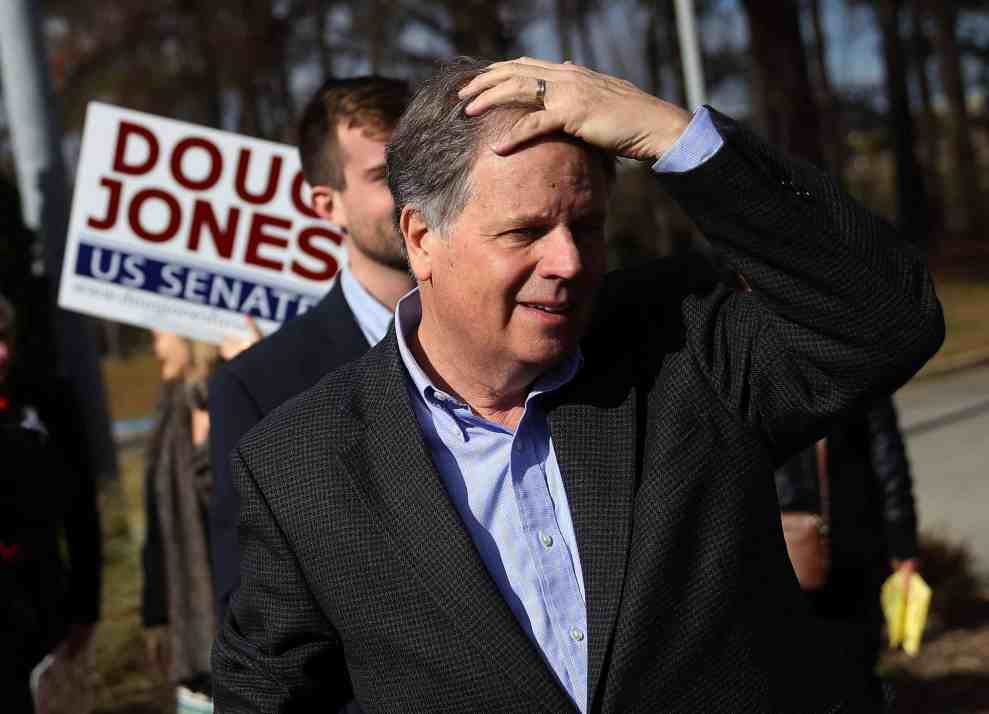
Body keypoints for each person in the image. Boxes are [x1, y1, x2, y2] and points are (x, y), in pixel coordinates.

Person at [212, 57, 944, 712]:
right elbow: (265, 693)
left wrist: (676, 138)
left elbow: (889, 321)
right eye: (524, 232)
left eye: (586, 226)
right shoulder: (300, 463)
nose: (567, 262)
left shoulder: (684, 346)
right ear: (421, 238)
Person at [207, 75, 413, 630]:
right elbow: (257, 623)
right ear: (328, 204)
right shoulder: (258, 390)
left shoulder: (516, 331)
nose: (416, 189)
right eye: (385, 176)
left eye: (426, 163)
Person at [0, 293, 102, 712]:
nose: (2, 352)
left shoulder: (48, 399)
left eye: (5, 336)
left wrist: (85, 606)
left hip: (42, 612)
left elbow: (81, 512)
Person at [776, 396, 920, 670]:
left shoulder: (754, 380)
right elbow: (889, 467)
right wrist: (903, 547)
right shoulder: (860, 377)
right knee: (855, 660)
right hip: (853, 544)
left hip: (781, 548)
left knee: (797, 665)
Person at [142, 331, 220, 701]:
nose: (155, 348)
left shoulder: (228, 393)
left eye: (159, 334)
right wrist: (156, 615)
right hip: (193, 642)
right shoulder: (171, 406)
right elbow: (157, 521)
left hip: (239, 636)